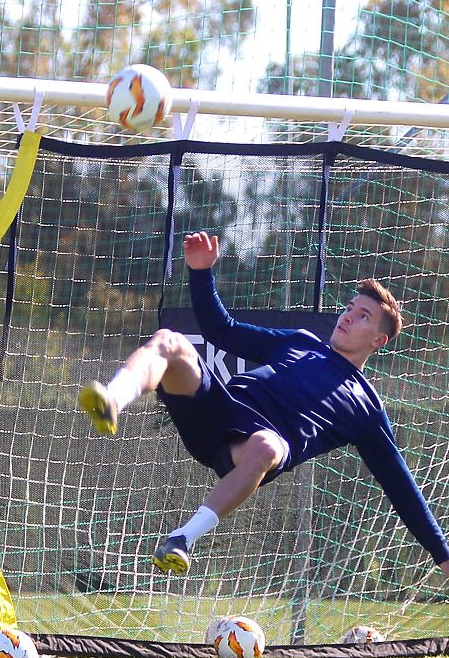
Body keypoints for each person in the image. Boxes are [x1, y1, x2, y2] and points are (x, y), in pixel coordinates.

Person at [78, 231, 449, 580]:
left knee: (268, 446)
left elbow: (402, 488)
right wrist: (200, 272)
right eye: (350, 308)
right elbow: (221, 330)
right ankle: (113, 398)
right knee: (169, 340)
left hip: (249, 449)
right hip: (216, 408)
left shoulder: (366, 407)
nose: (348, 316)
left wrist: (444, 557)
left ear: (379, 340)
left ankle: (182, 539)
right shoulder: (301, 341)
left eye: (363, 316)